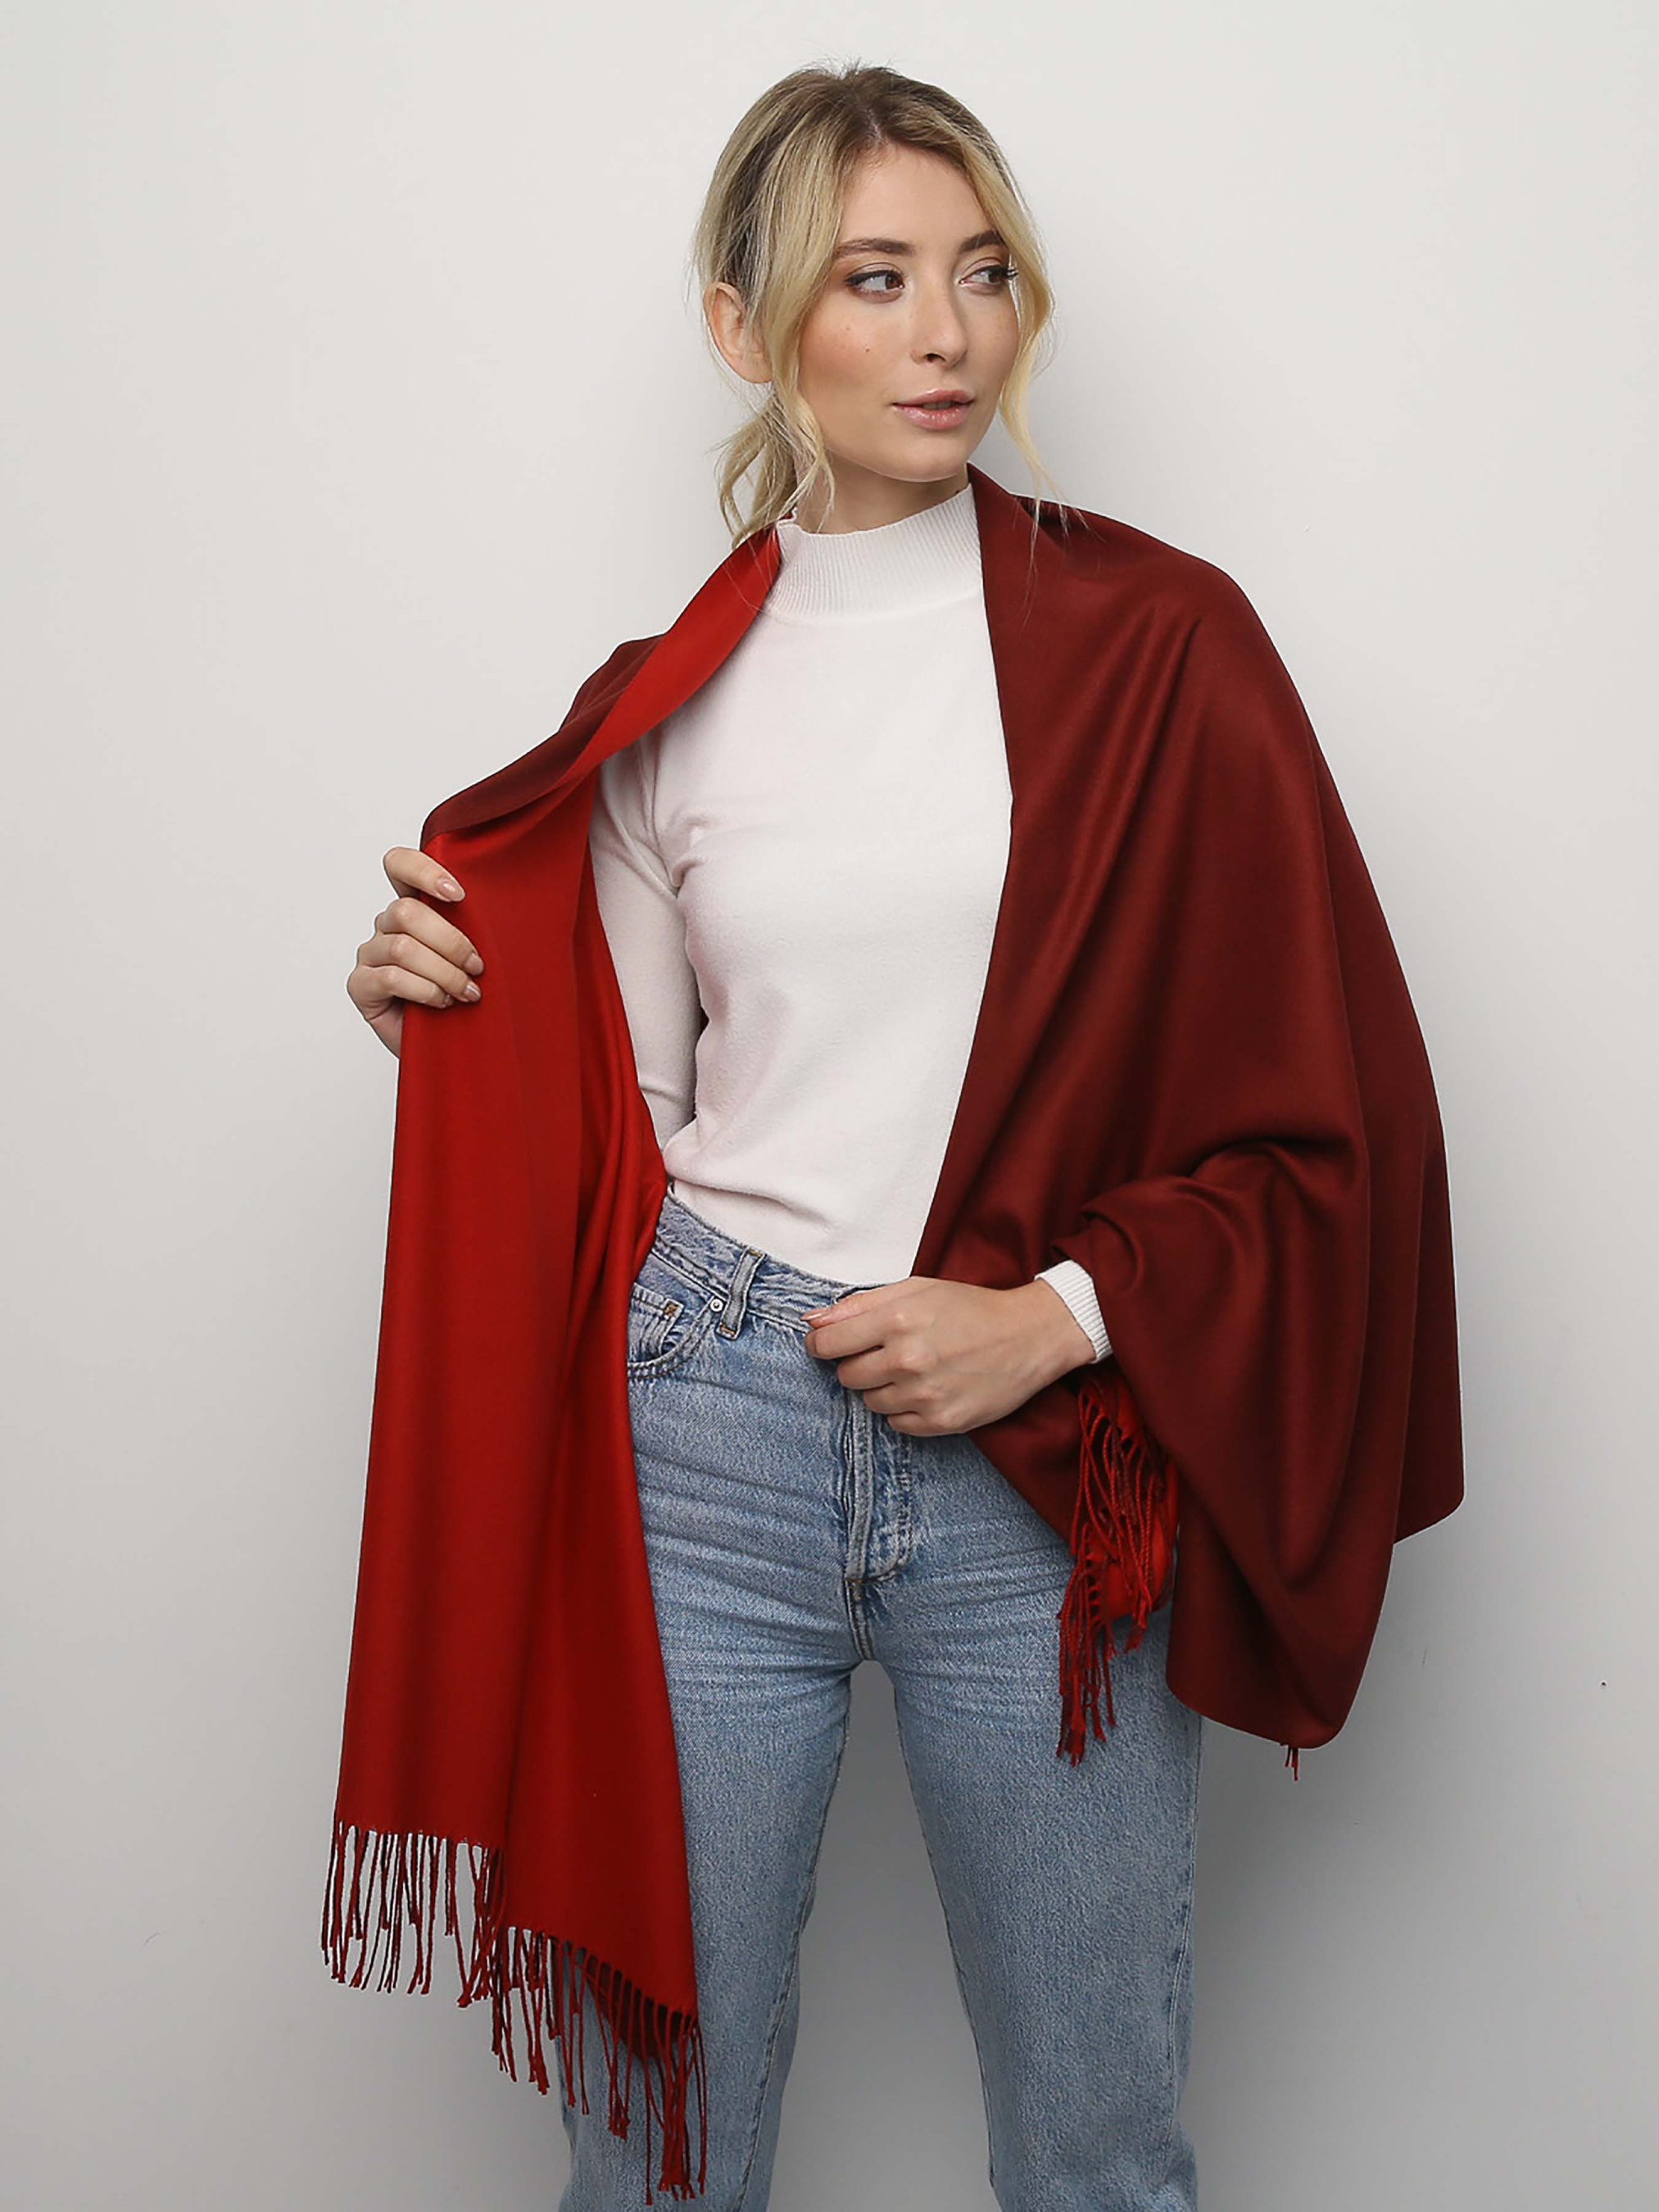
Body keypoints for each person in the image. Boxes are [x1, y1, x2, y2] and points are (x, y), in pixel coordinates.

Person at [339, 62, 1387, 2212]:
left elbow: (1322, 1104)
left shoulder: (1161, 645)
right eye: (875, 278)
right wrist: (443, 1021)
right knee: (658, 2157)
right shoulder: (664, 700)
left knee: (1095, 2150)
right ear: (748, 326)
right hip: (702, 1432)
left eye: (981, 273)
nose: (946, 334)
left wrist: (1060, 1316)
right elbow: (626, 1126)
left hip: (1038, 1463)